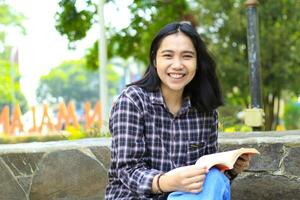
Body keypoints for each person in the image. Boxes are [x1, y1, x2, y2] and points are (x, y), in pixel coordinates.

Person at [105, 21, 251, 200]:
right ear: (154, 60)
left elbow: (206, 180)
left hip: (186, 196)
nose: (177, 65)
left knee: (214, 178)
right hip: (134, 197)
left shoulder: (205, 111)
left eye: (187, 56)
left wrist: (231, 169)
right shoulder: (132, 101)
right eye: (168, 55)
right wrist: (166, 182)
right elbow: (127, 170)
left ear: (198, 62)